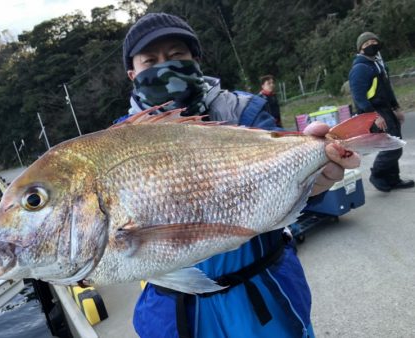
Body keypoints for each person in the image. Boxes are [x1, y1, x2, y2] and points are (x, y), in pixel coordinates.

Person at [121, 12, 359, 338]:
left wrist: (317, 180)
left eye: (177, 55)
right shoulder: (117, 141)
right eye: (151, 60)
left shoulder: (243, 112)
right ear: (132, 73)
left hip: (263, 289)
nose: (165, 65)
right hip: (180, 311)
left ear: (196, 60)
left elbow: (292, 181)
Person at [349, 32, 414, 192]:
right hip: (375, 112)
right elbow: (358, 97)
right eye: (367, 43)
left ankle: (393, 179)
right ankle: (377, 175)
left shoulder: (378, 65)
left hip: (386, 109)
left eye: (374, 41)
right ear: (360, 48)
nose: (372, 44)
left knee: (396, 144)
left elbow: (387, 90)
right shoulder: (360, 68)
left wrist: (396, 107)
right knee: (392, 146)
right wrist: (374, 116)